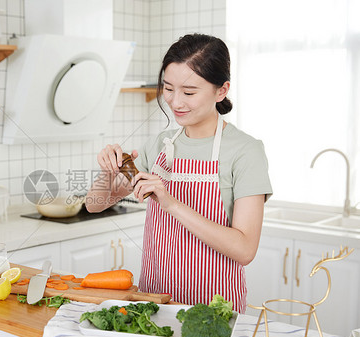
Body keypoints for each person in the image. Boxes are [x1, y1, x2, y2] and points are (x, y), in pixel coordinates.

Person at [85, 34, 272, 313]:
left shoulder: (245, 151)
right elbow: (94, 204)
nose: (175, 102)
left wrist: (170, 202)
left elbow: (244, 250)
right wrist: (107, 172)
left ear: (221, 91)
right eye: (168, 88)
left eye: (189, 91)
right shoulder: (161, 144)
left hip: (214, 311)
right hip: (154, 302)